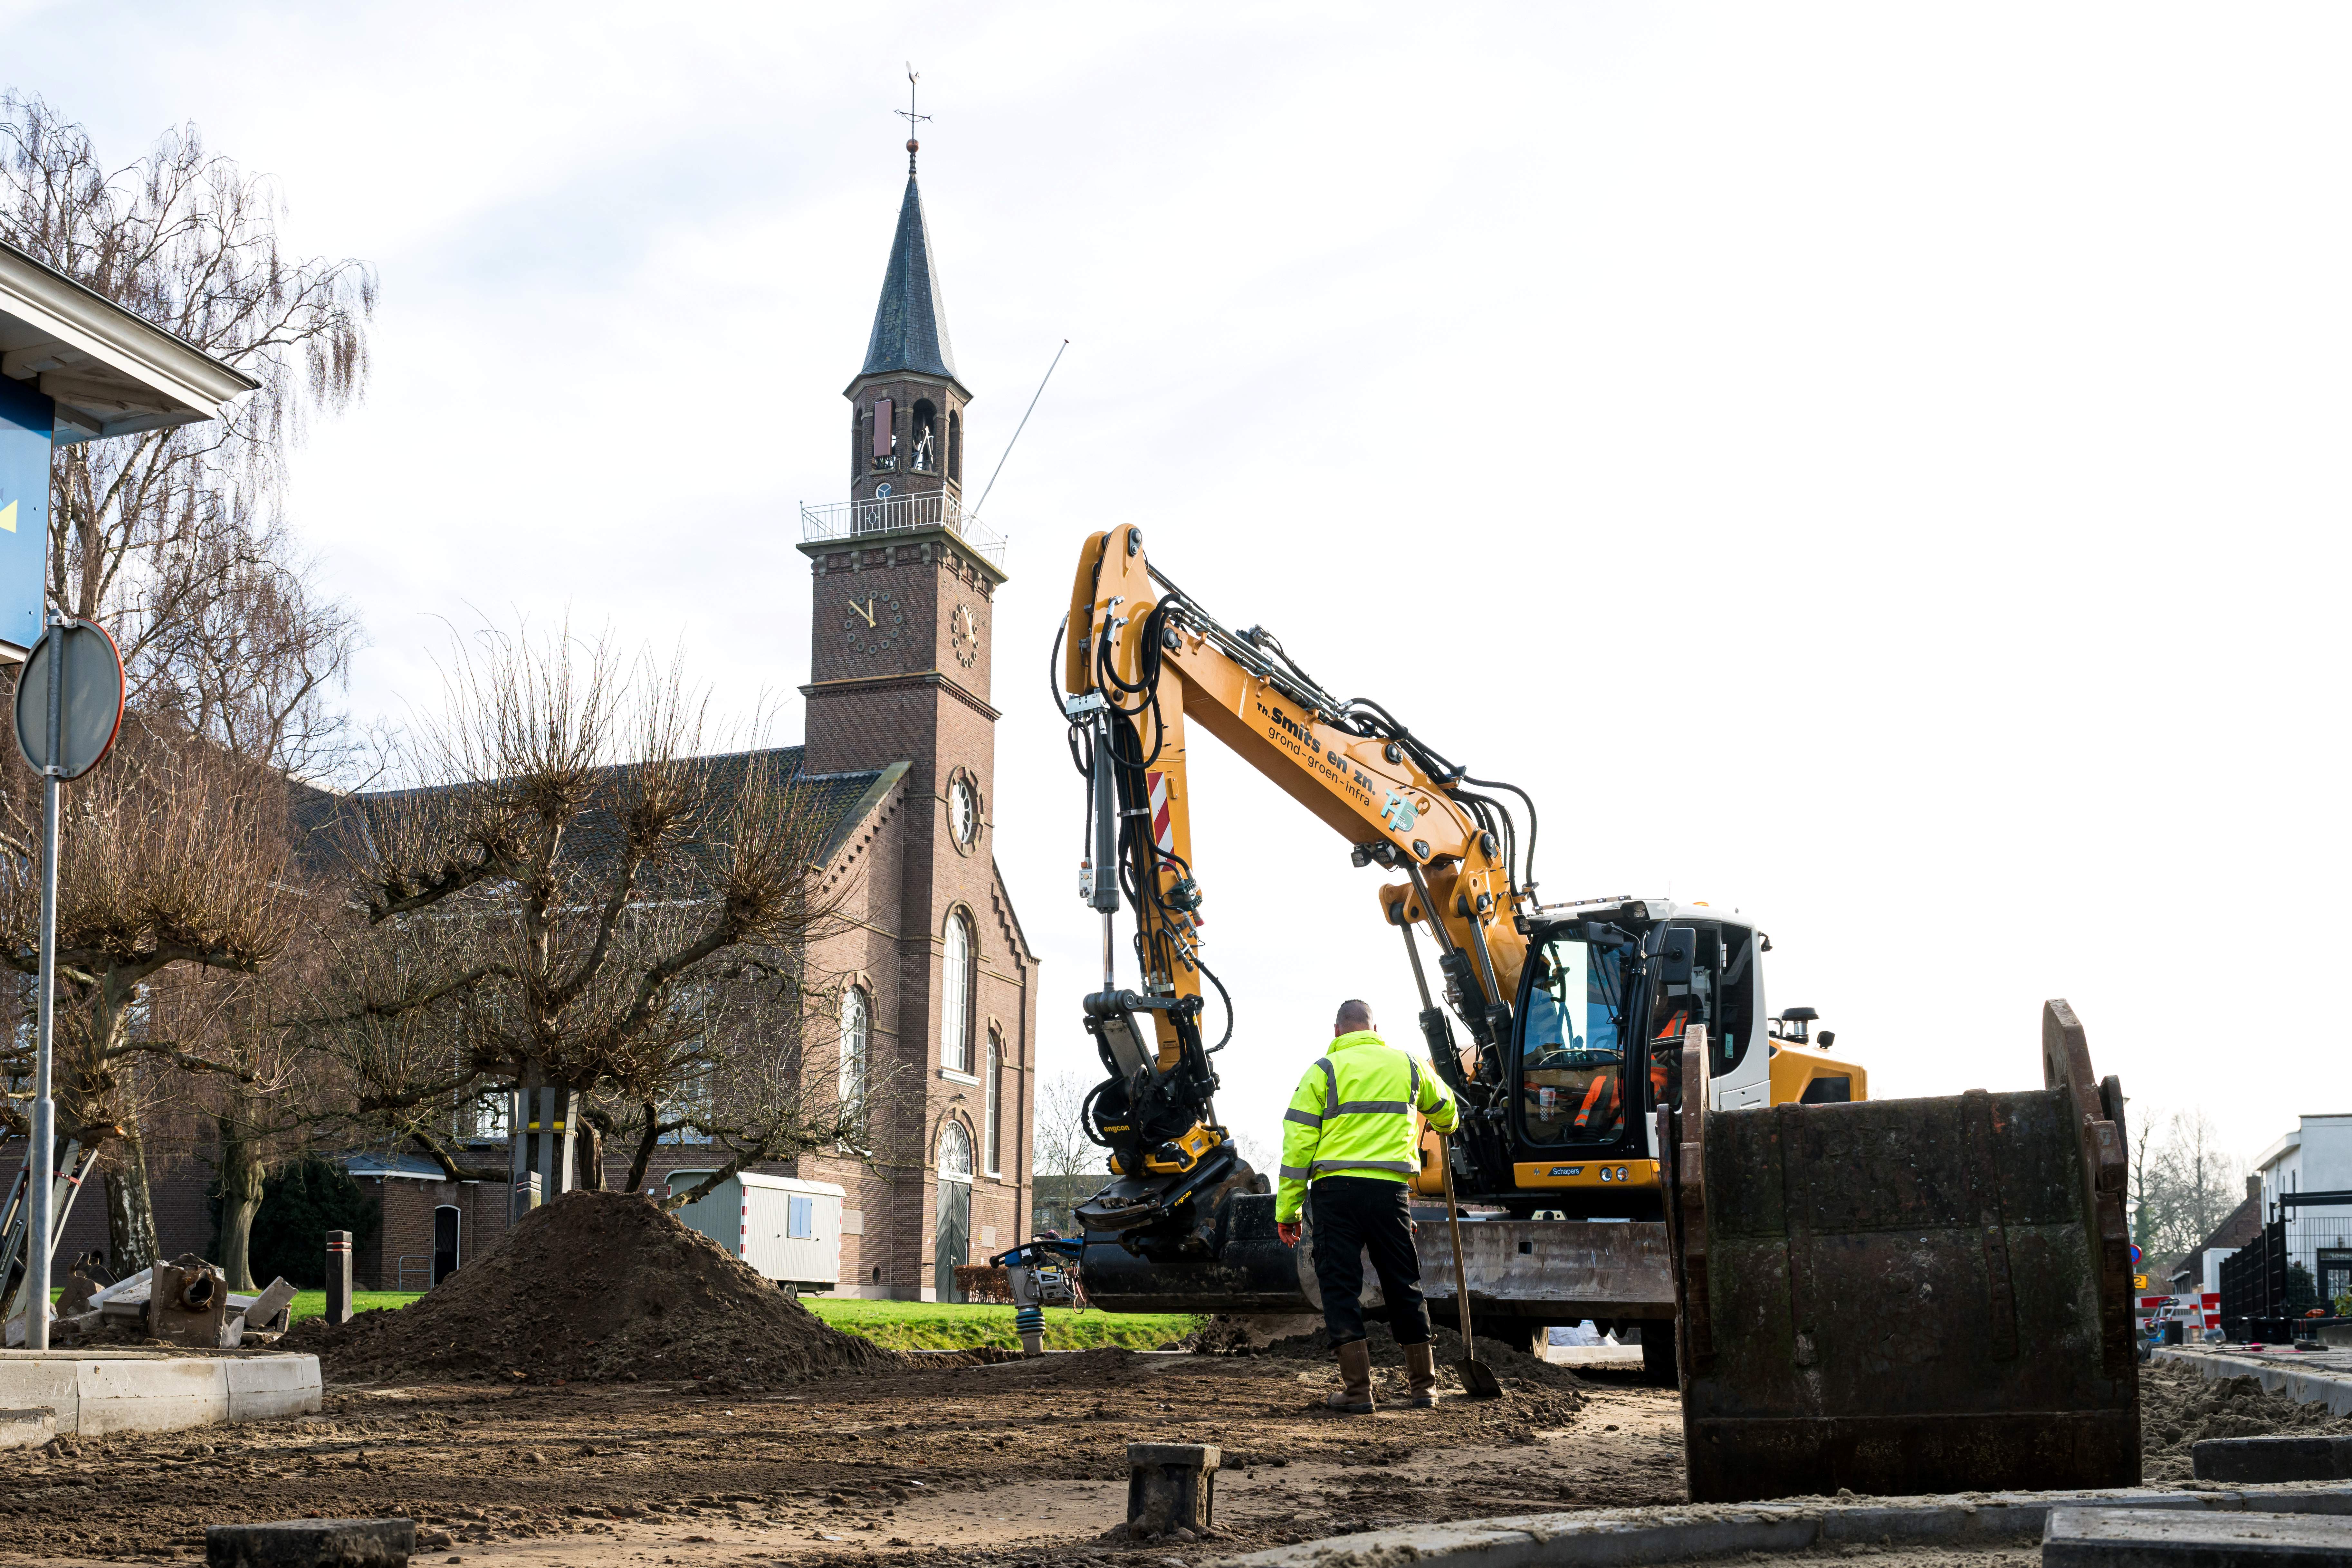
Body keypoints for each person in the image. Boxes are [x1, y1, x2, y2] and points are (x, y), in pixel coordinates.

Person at [1275, 998, 1459, 1414]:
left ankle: (1358, 1393)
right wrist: (1445, 1125)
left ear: (1337, 1030)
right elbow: (1448, 1111)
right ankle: (1423, 1389)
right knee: (1402, 1281)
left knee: (1340, 1286)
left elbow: (1297, 1146)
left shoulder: (1322, 1071)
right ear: (1376, 1029)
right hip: (1389, 1193)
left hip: (1334, 1194)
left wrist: (1287, 1213)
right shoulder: (1408, 1065)